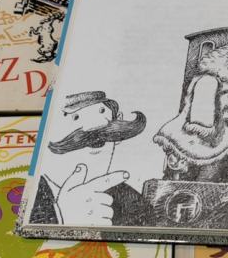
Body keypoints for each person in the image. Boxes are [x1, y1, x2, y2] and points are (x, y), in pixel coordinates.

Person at [29, 91, 148, 226]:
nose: (95, 125)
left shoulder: (132, 202)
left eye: (101, 111)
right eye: (75, 117)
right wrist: (62, 219)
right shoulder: (29, 193)